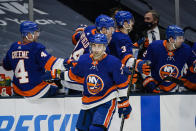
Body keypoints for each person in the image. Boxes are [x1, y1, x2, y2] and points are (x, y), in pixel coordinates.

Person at [47, 34, 132, 131]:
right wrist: (56, 74)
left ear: (104, 46)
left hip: (106, 100)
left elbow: (121, 83)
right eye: (94, 46)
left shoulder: (113, 62)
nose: (96, 49)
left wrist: (124, 100)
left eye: (99, 46)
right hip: (87, 101)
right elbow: (73, 75)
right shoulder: (84, 59)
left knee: (96, 129)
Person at [2, 21, 66, 99]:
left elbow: (6, 66)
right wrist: (67, 63)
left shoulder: (13, 47)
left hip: (18, 90)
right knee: (56, 78)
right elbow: (52, 64)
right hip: (36, 91)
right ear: (28, 35)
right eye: (35, 33)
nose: (37, 35)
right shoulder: (36, 47)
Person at [141, 25, 196, 93]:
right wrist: (150, 84)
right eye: (180, 38)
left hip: (177, 89)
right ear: (171, 39)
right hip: (157, 87)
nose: (182, 40)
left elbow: (193, 65)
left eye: (182, 37)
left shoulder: (186, 49)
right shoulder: (154, 47)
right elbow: (143, 67)